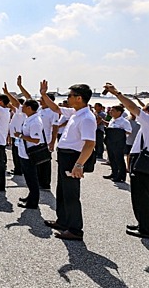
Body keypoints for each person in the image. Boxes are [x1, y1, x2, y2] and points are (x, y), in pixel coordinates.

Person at [40, 80, 96, 241]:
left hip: (73, 157)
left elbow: (90, 144)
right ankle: (63, 221)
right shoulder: (75, 113)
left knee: (71, 194)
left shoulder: (86, 117)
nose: (68, 98)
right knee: (62, 191)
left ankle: (75, 229)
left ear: (79, 98)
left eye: (70, 95)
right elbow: (56, 108)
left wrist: (79, 164)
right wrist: (44, 94)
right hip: (65, 155)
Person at [104, 84, 149, 238]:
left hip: (143, 160)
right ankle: (143, 223)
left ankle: (145, 228)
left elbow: (132, 107)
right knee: (143, 195)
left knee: (141, 195)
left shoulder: (148, 121)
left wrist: (116, 93)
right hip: (143, 158)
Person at [18, 75, 56, 189]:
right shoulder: (39, 109)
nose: (40, 101)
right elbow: (28, 97)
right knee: (36, 162)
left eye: (42, 99)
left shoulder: (53, 111)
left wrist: (53, 142)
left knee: (45, 162)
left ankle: (45, 184)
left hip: (46, 140)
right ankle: (38, 183)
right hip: (35, 140)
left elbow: (55, 128)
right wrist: (20, 86)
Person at [14, 100, 44, 209]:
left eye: (24, 106)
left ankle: (33, 202)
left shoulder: (35, 121)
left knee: (32, 179)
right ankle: (30, 196)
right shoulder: (29, 118)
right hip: (24, 153)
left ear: (29, 108)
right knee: (28, 178)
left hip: (30, 154)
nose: (22, 107)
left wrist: (21, 136)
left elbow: (36, 140)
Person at [102, 105, 131, 183]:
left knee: (119, 159)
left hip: (118, 143)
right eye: (111, 110)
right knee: (112, 158)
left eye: (113, 110)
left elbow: (129, 131)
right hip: (110, 141)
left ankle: (121, 176)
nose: (111, 112)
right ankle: (114, 173)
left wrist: (118, 132)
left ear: (119, 112)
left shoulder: (124, 121)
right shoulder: (112, 119)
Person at [4, 82, 25, 176]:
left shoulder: (21, 110)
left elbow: (14, 103)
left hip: (18, 135)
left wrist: (7, 93)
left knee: (17, 153)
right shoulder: (18, 111)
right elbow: (11, 105)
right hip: (15, 135)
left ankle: (19, 169)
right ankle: (17, 168)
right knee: (15, 153)